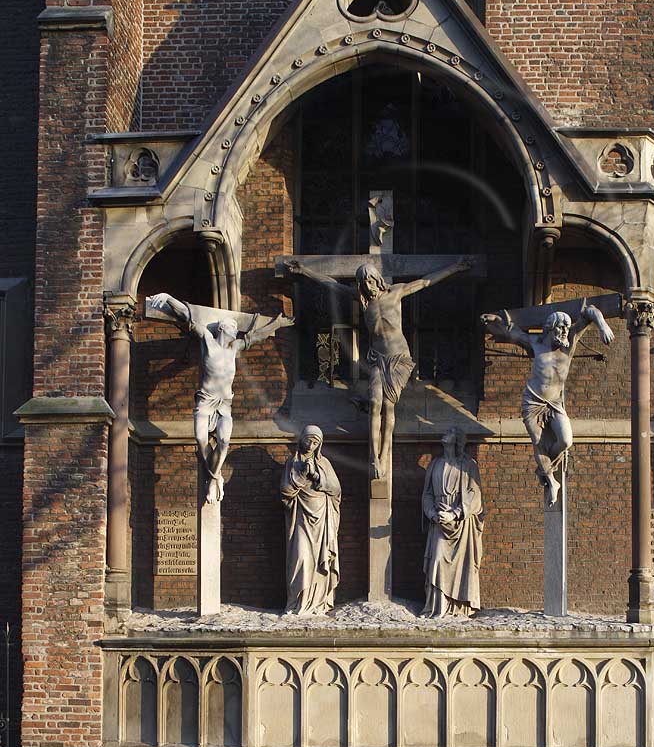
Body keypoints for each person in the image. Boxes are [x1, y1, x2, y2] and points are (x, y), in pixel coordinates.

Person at [285, 256, 472, 478]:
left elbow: (425, 282)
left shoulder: (396, 293)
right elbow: (332, 284)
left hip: (398, 358)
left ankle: (384, 453)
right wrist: (305, 271)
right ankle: (374, 456)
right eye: (363, 284)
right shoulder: (362, 300)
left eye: (370, 282)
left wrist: (455, 267)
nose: (367, 287)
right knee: (374, 402)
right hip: (378, 359)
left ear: (377, 280)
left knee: (387, 405)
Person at [147, 292, 293, 503]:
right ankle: (215, 478)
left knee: (224, 441)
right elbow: (187, 317)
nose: (236, 332)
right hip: (205, 402)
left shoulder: (234, 348)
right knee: (200, 439)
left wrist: (276, 325)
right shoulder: (207, 340)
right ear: (224, 329)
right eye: (233, 329)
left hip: (224, 405)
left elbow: (256, 336)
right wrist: (168, 298)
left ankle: (213, 478)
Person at [480, 302, 614, 507]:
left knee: (566, 441)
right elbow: (511, 332)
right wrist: (496, 320)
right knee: (538, 442)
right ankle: (551, 481)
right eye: (560, 328)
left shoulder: (570, 342)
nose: (563, 332)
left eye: (566, 328)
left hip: (554, 403)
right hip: (533, 401)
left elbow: (590, 311)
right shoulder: (535, 343)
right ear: (549, 328)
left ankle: (545, 467)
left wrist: (602, 325)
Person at [421, 427, 484, 618]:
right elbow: (428, 493)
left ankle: (458, 607)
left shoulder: (468, 465)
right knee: (438, 561)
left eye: (449, 432)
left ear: (456, 439)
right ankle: (438, 608)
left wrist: (455, 513)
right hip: (439, 521)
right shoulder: (435, 465)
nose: (444, 433)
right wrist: (432, 514)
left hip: (461, 524)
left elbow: (475, 494)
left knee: (462, 566)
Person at [281, 425, 342, 615]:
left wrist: (316, 476)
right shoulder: (293, 462)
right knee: (301, 558)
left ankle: (318, 604)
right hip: (301, 518)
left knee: (320, 562)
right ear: (302, 440)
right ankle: (298, 603)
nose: (311, 445)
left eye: (316, 442)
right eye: (309, 440)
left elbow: (336, 489)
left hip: (322, 518)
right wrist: (300, 476)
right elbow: (285, 491)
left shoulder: (324, 464)